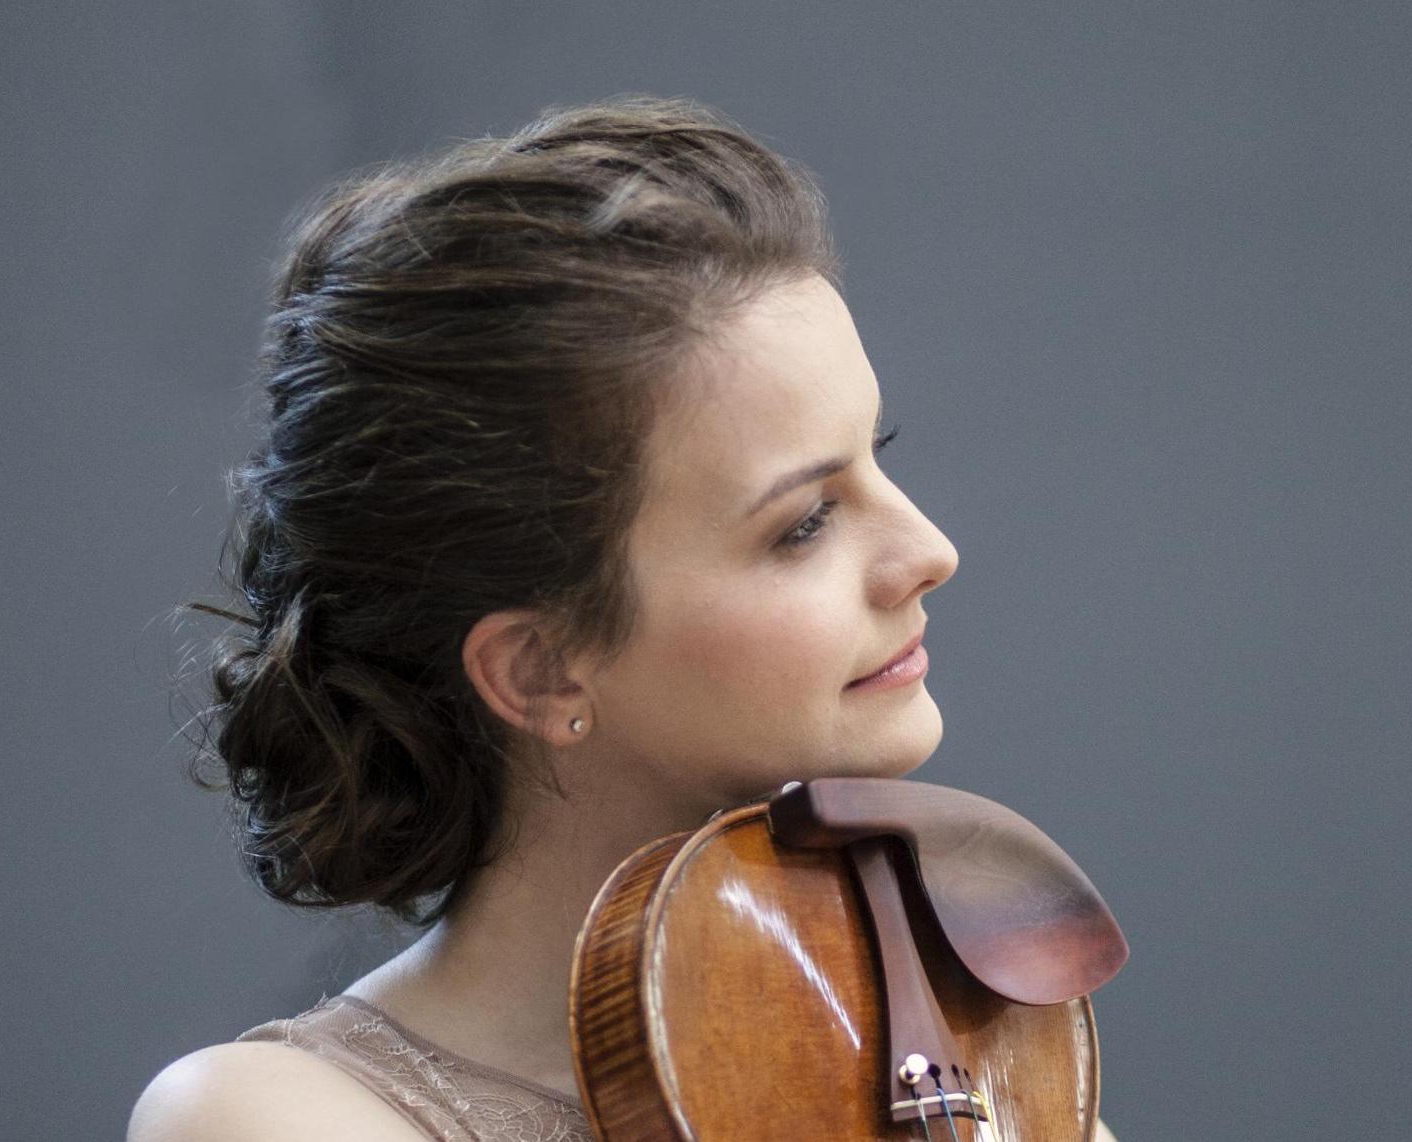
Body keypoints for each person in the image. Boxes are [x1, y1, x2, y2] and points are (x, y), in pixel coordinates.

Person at [127, 93, 1115, 1142]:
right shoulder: (270, 1117)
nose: (929, 552)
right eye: (806, 521)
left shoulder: (965, 1045)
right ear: (543, 668)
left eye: (882, 454)